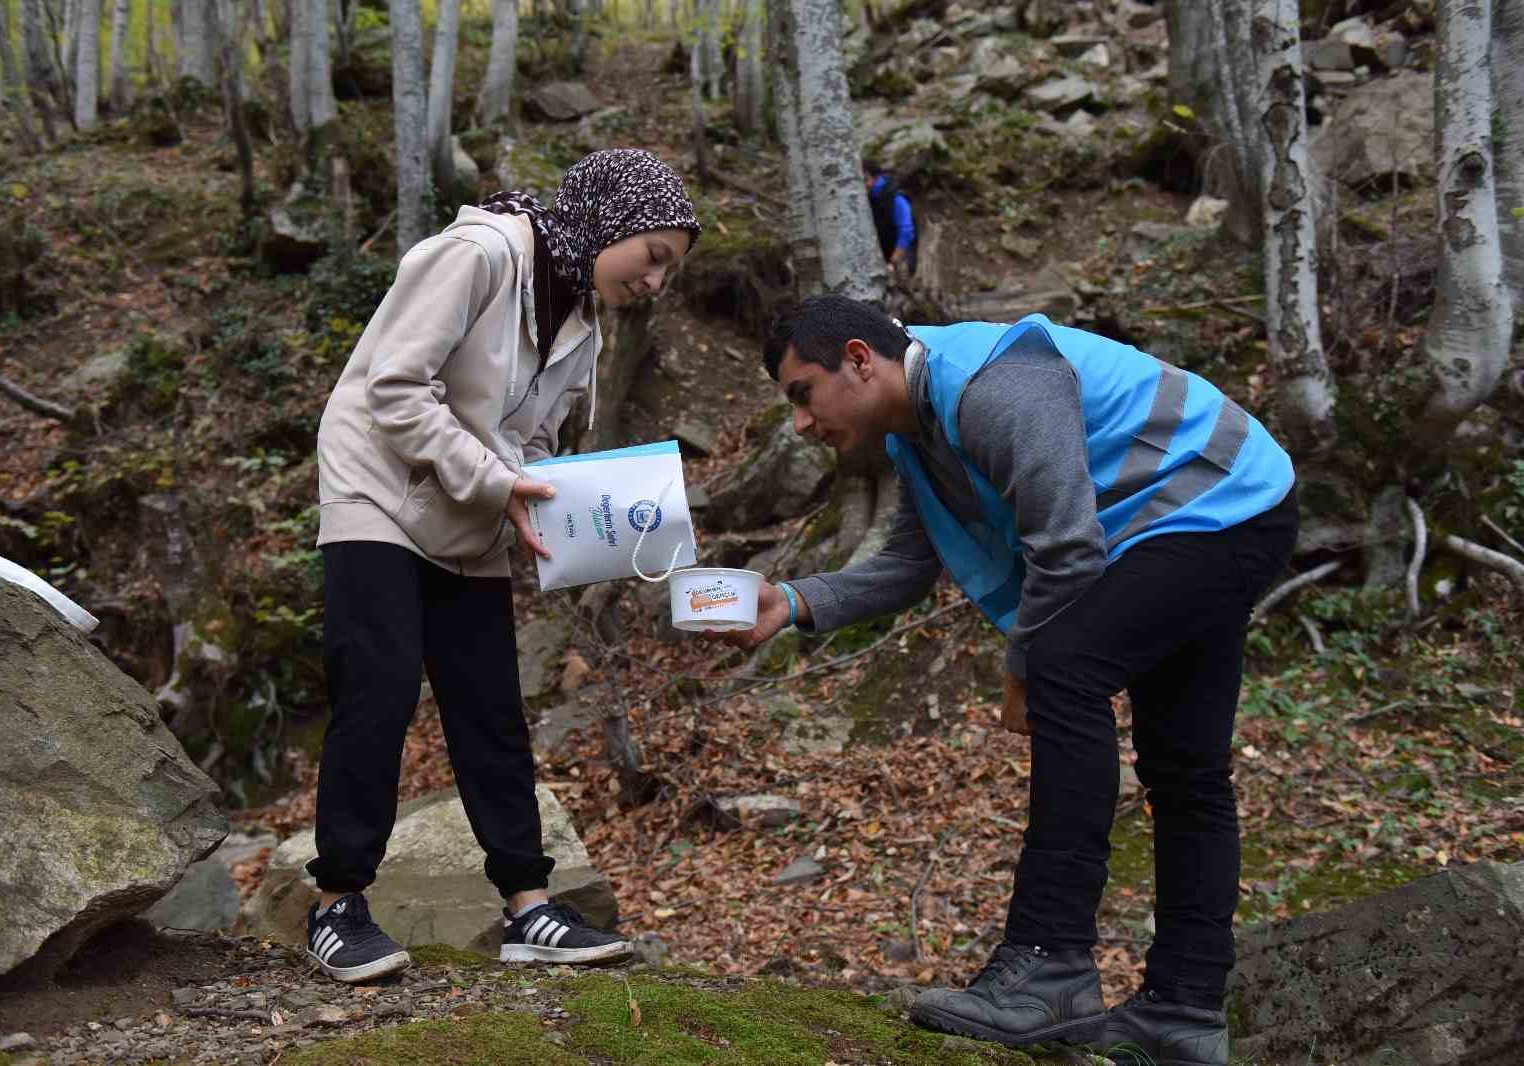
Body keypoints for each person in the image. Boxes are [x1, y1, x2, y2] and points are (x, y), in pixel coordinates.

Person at [722, 295, 1297, 1065]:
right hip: (1211, 510)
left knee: (1066, 671)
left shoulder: (994, 385)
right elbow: (904, 566)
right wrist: (790, 600)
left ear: (859, 359)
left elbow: (1065, 549)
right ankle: (1184, 1010)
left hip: (1216, 501)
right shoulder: (921, 432)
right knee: (1184, 766)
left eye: (802, 394)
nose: (799, 422)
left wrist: (1022, 672)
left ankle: (1048, 962)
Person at [306, 149, 700, 983]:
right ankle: (337, 903)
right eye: (653, 256)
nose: (655, 282)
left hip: (471, 511)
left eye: (670, 270)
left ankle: (528, 906)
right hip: (376, 487)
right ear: (612, 223)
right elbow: (395, 388)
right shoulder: (480, 254)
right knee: (375, 684)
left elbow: (532, 444)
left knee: (490, 707)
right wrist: (501, 479)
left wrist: (570, 511)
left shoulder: (580, 323)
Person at [863, 159, 917, 276]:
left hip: (901, 258)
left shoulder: (895, 198)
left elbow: (906, 232)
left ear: (872, 176)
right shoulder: (870, 198)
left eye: (865, 179)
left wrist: (893, 262)